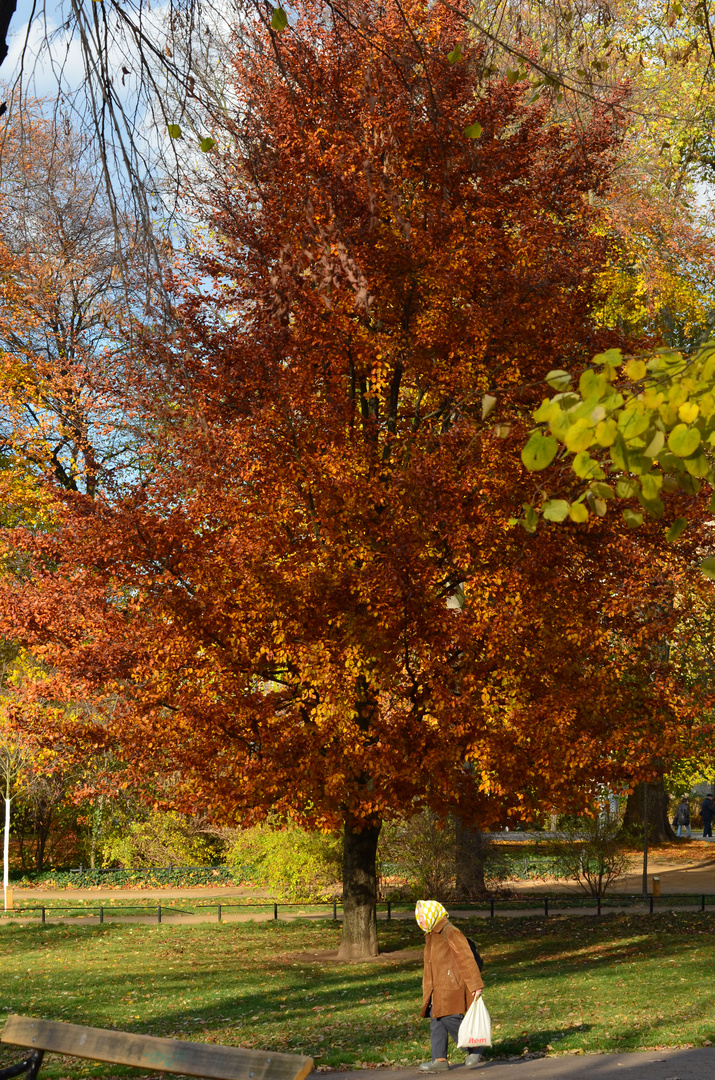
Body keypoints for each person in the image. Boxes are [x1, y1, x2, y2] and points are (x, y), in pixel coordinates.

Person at [416, 899, 485, 1072]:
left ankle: (474, 1046)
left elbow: (466, 958)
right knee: (436, 1020)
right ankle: (439, 1059)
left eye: (423, 915)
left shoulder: (449, 930)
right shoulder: (431, 934)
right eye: (418, 917)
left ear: (433, 913)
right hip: (436, 987)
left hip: (451, 985)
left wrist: (475, 985)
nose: (420, 920)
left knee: (449, 1017)